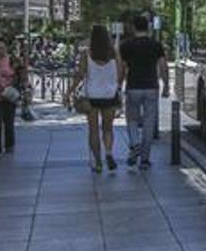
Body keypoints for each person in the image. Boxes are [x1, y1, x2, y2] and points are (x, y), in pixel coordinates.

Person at [67, 25, 122, 173]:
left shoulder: (87, 54)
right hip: (109, 95)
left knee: (93, 130)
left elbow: (80, 75)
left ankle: (98, 162)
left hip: (92, 96)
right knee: (108, 128)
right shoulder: (114, 53)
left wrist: (69, 92)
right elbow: (121, 73)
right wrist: (116, 86)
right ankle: (109, 153)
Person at [120, 15, 169, 170]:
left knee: (132, 119)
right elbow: (163, 66)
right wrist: (166, 84)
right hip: (151, 87)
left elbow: (122, 68)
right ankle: (145, 160)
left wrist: (118, 85)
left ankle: (134, 144)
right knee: (149, 123)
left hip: (133, 86)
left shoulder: (126, 46)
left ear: (134, 28)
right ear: (147, 28)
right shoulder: (156, 45)